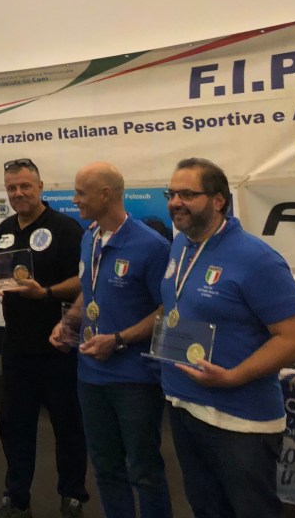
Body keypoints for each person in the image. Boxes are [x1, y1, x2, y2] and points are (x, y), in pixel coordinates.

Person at [161, 157, 295, 518]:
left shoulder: (257, 258)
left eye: (187, 194)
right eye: (171, 193)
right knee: (206, 508)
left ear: (218, 201)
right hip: (184, 405)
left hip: (239, 420)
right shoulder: (181, 246)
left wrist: (233, 377)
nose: (175, 202)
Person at [49, 162, 172, 518]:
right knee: (105, 468)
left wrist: (119, 339)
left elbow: (167, 311)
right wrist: (69, 322)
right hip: (90, 375)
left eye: (80, 193)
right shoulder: (89, 237)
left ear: (105, 195)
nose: (74, 200)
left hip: (134, 379)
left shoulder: (152, 246)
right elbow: (89, 291)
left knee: (144, 471)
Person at [0, 158, 88, 518]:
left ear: (40, 187)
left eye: (25, 186)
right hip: (16, 346)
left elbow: (84, 280)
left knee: (68, 424)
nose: (18, 193)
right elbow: (2, 277)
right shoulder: (4, 229)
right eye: (11, 188)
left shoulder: (65, 228)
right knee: (14, 425)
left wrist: (45, 293)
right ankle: (16, 497)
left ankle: (73, 494)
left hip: (59, 345)